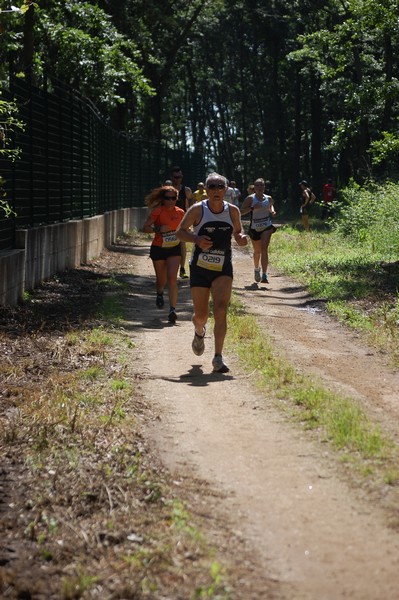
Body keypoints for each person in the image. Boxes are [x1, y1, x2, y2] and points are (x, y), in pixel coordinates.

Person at [176, 172, 248, 373]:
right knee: (201, 315)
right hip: (200, 267)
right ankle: (199, 331)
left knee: (221, 308)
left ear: (226, 190)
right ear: (206, 190)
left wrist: (241, 238)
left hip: (223, 266)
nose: (216, 190)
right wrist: (196, 239)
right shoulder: (197, 210)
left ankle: (218, 357)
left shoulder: (232, 211)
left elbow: (237, 232)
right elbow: (179, 232)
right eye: (212, 187)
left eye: (220, 187)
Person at [142, 185, 185, 323]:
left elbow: (185, 229)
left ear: (176, 199)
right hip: (159, 248)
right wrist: (159, 228)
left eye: (173, 198)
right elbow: (145, 228)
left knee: (172, 278)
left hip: (174, 248)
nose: (170, 201)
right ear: (163, 199)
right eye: (167, 198)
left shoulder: (181, 212)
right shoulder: (157, 212)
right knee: (162, 280)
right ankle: (159, 292)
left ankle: (172, 310)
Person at [240, 178, 276, 284]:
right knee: (257, 251)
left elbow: (270, 205)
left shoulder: (268, 198)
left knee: (264, 250)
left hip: (266, 226)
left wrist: (272, 211)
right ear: (254, 187)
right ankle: (256, 269)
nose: (260, 187)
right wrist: (252, 208)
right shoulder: (250, 199)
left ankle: (264, 275)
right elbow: (241, 212)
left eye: (262, 185)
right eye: (257, 185)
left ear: (264, 187)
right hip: (255, 227)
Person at [170, 166, 194, 279]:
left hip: (181, 220)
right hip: (168, 219)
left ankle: (182, 268)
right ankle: (169, 268)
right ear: (172, 177)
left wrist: (190, 218)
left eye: (180, 177)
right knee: (168, 243)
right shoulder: (167, 190)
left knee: (182, 244)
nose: (178, 179)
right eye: (176, 177)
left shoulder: (186, 190)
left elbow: (191, 202)